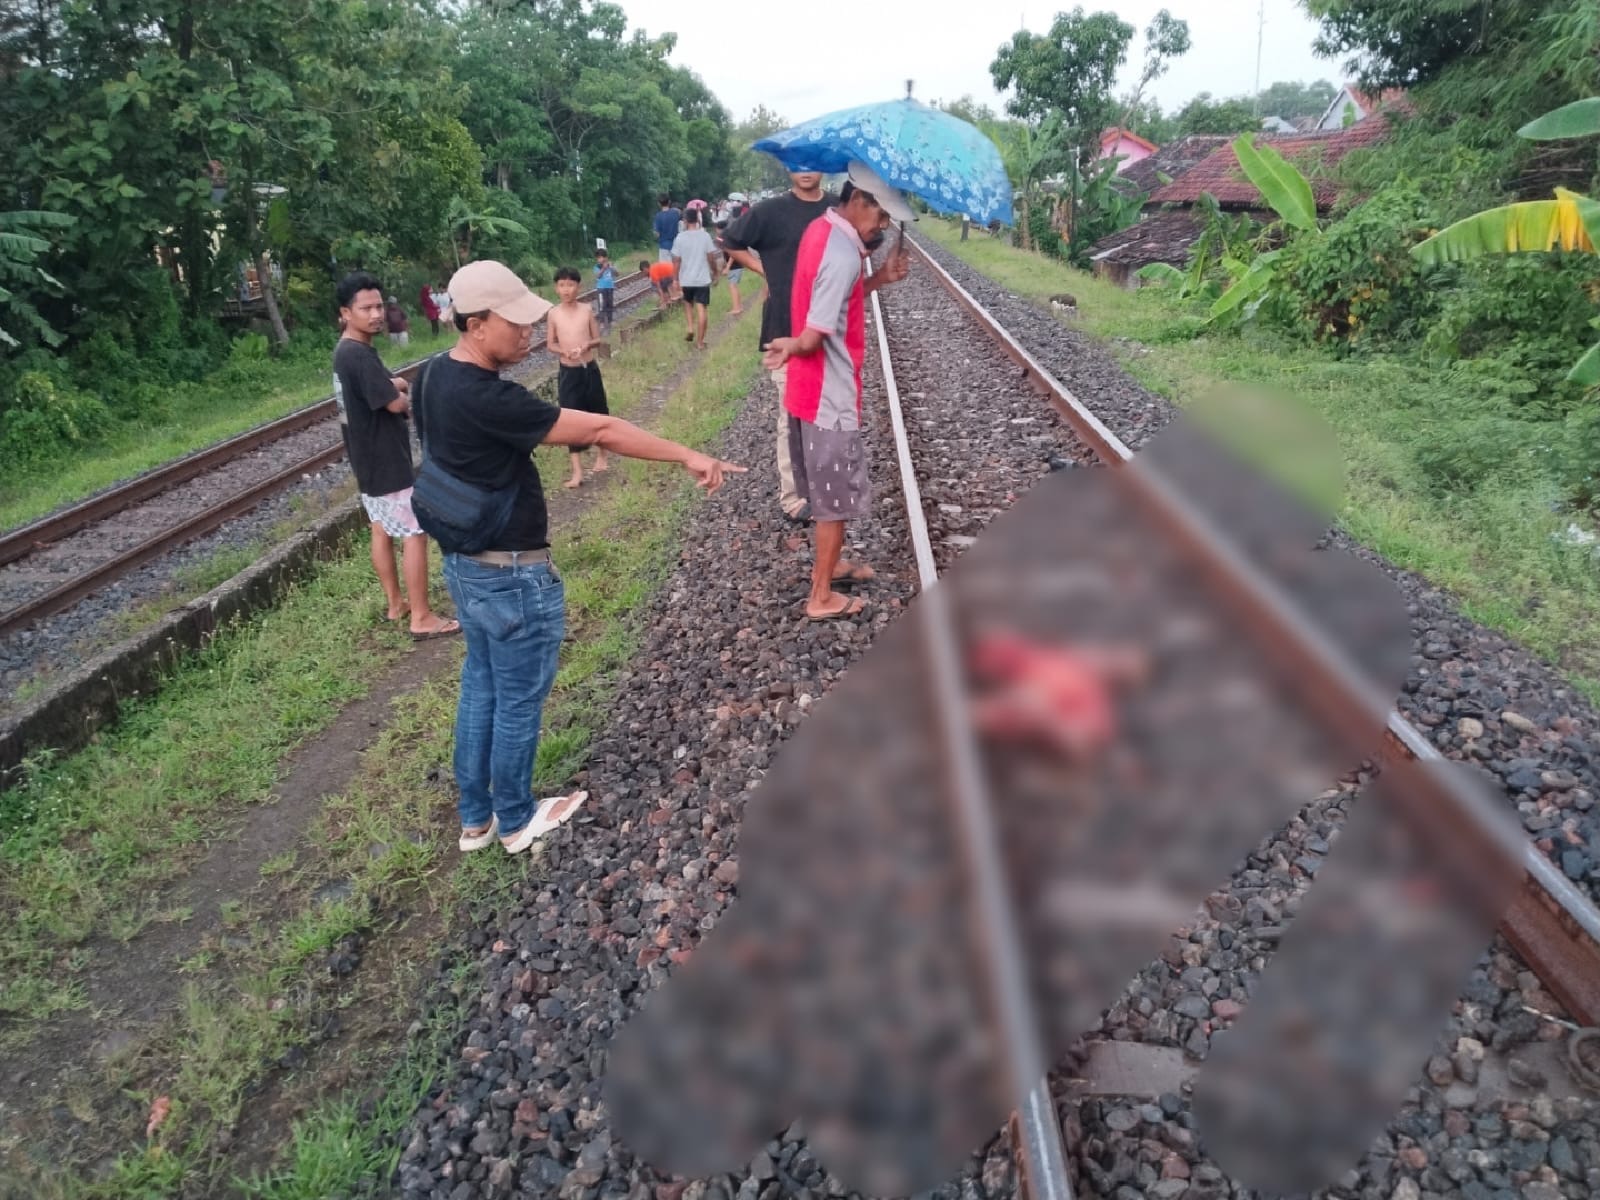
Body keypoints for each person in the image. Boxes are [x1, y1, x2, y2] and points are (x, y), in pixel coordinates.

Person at [418, 260, 744, 854]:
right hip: (513, 574)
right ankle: (516, 820)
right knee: (516, 699)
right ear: (474, 324)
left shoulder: (435, 376)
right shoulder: (491, 398)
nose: (525, 331)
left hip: (466, 567)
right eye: (512, 322)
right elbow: (600, 431)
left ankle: (476, 819)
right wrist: (686, 455)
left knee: (481, 687)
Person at [761, 162, 912, 621]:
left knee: (821, 493)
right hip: (829, 393)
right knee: (833, 502)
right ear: (860, 200)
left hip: (807, 391)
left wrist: (880, 279)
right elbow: (817, 331)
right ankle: (821, 595)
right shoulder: (844, 253)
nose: (882, 226)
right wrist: (796, 343)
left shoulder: (822, 228)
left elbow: (835, 297)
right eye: (882, 215)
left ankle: (834, 564)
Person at [724, 170, 896, 523]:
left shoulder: (837, 215)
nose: (805, 171)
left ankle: (819, 500)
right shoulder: (770, 211)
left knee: (815, 428)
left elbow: (843, 292)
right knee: (792, 421)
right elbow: (729, 240)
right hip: (790, 331)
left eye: (810, 164)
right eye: (797, 164)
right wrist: (763, 270)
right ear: (787, 168)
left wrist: (880, 277)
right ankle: (796, 498)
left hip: (820, 339)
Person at [333, 272, 460, 640]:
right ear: (345, 312)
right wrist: (404, 398)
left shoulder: (346, 352)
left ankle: (395, 604)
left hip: (366, 460)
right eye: (366, 308)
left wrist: (396, 385)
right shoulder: (359, 356)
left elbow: (383, 386)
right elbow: (393, 402)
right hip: (387, 461)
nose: (376, 314)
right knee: (415, 532)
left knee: (381, 528)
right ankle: (421, 617)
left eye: (378, 306)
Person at [548, 266, 610, 488]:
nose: (566, 290)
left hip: (588, 369)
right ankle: (577, 472)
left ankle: (602, 455)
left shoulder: (586, 310)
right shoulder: (553, 314)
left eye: (571, 285)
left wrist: (586, 345)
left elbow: (597, 339)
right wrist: (562, 351)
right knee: (570, 418)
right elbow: (550, 344)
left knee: (598, 410)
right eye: (562, 285)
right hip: (568, 372)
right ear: (556, 288)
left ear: (578, 286)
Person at [671, 207, 720, 349]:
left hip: (686, 279)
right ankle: (700, 342)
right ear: (698, 220)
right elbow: (711, 257)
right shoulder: (704, 236)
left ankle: (690, 327)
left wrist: (675, 279)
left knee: (687, 304)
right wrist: (715, 272)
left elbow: (677, 260)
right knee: (702, 309)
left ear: (685, 221)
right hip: (702, 279)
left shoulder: (680, 238)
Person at [715, 220, 744, 315]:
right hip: (737, 265)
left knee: (732, 286)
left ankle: (736, 308)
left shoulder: (726, 238)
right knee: (734, 286)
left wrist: (727, 267)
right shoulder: (728, 236)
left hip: (735, 266)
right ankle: (739, 306)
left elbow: (732, 254)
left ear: (719, 229)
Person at [653, 194, 682, 265]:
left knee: (665, 269)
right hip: (676, 244)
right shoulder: (675, 213)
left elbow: (657, 234)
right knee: (676, 266)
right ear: (669, 202)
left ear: (659, 204)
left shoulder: (658, 216)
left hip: (664, 246)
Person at [593, 249, 616, 333]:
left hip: (610, 287)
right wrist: (603, 268)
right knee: (602, 306)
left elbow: (617, 274)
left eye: (602, 257)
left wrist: (611, 267)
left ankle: (610, 320)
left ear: (606, 257)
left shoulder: (610, 265)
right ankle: (602, 322)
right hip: (601, 288)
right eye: (598, 258)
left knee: (610, 304)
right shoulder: (597, 267)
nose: (600, 259)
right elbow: (598, 276)